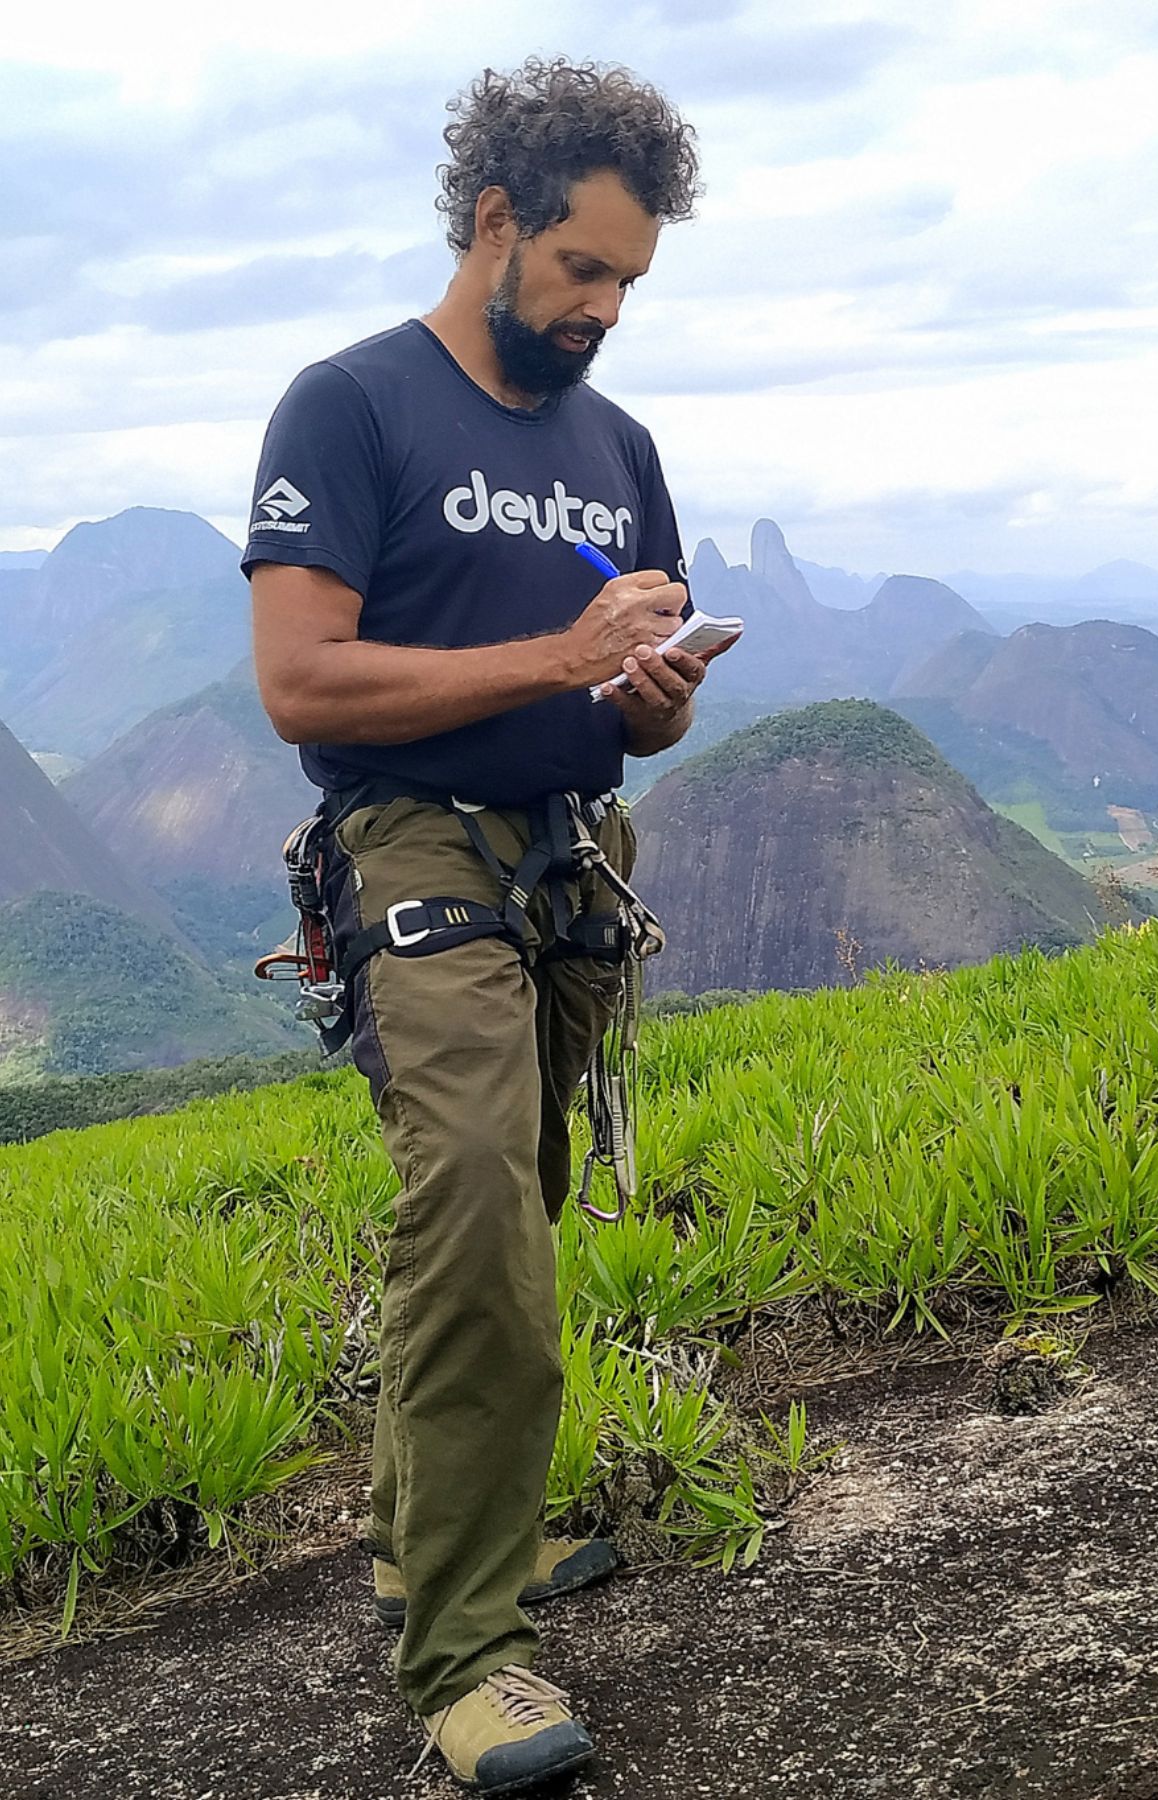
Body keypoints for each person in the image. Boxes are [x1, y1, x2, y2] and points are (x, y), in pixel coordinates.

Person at [245, 55, 713, 1793]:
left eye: (631, 286)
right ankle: (465, 1648)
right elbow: (303, 673)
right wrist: (562, 656)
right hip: (410, 846)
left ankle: (425, 1536)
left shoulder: (619, 446)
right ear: (497, 221)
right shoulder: (350, 406)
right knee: (474, 1217)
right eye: (585, 269)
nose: (604, 310)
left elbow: (633, 700)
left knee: (512, 1202)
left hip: (571, 850)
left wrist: (651, 690)